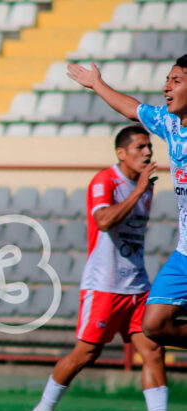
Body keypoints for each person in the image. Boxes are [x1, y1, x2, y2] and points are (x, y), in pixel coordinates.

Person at [30, 124, 186, 411]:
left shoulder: (146, 186)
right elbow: (103, 221)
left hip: (137, 286)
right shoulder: (106, 180)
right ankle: (44, 409)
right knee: (86, 353)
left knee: (152, 348)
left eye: (149, 148)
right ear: (121, 152)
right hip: (104, 285)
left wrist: (142, 188)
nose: (147, 152)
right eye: (140, 147)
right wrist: (139, 190)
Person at [67, 55, 187, 353]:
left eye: (176, 81)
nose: (166, 87)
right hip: (184, 253)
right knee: (154, 325)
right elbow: (132, 110)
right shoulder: (170, 123)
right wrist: (97, 84)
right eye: (167, 80)